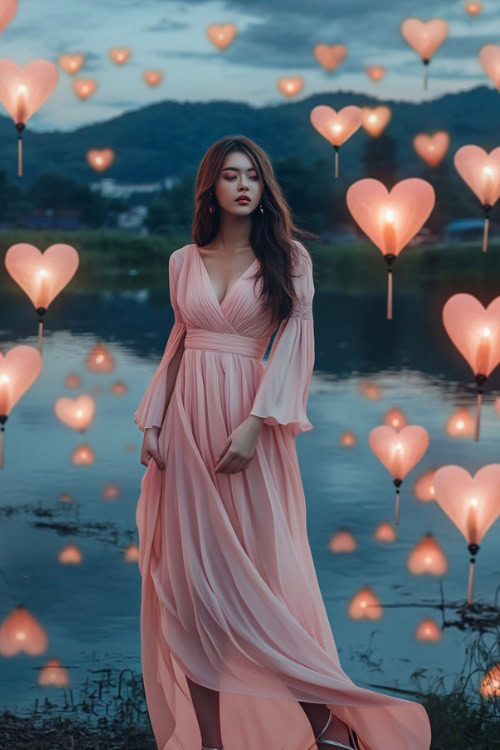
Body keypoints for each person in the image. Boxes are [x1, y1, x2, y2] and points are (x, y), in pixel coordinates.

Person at [134, 135, 432, 750]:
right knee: (193, 593)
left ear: (264, 189)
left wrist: (257, 422)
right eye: (229, 176)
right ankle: (212, 744)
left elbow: (297, 344)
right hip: (186, 428)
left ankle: (327, 724)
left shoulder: (289, 257)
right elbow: (179, 341)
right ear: (210, 189)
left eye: (253, 176)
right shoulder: (180, 260)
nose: (243, 185)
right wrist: (154, 419)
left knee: (262, 582)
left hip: (250, 425)